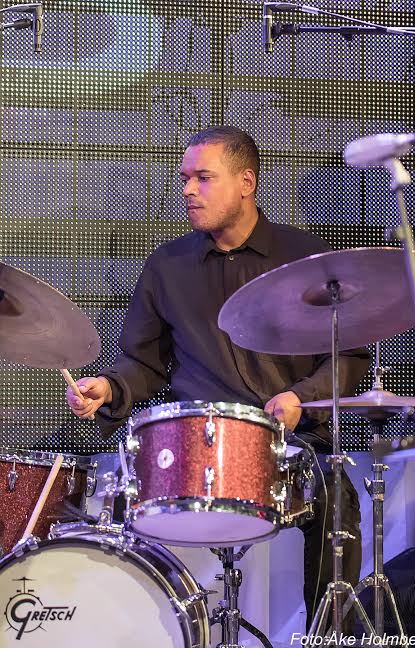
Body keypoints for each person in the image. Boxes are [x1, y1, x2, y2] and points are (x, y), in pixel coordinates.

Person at [66, 125, 370, 631]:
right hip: (194, 445)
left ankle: (327, 635)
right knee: (119, 503)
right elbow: (143, 364)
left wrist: (301, 396)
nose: (188, 190)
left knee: (334, 493)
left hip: (287, 442)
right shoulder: (167, 266)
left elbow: (350, 356)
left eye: (203, 178)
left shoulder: (307, 259)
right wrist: (110, 388)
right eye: (185, 178)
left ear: (246, 182)